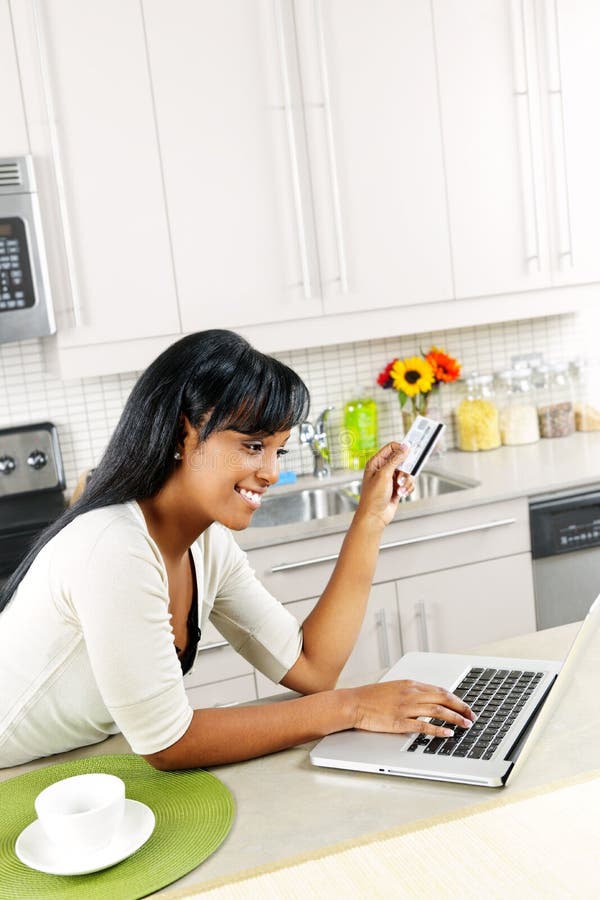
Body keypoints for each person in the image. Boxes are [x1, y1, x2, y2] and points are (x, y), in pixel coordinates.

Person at [0, 330, 474, 770]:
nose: (269, 471)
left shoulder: (206, 545)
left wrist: (370, 519)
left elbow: (312, 667)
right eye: (253, 446)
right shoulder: (114, 547)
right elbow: (169, 743)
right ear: (185, 434)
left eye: (278, 451)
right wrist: (353, 706)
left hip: (59, 764)